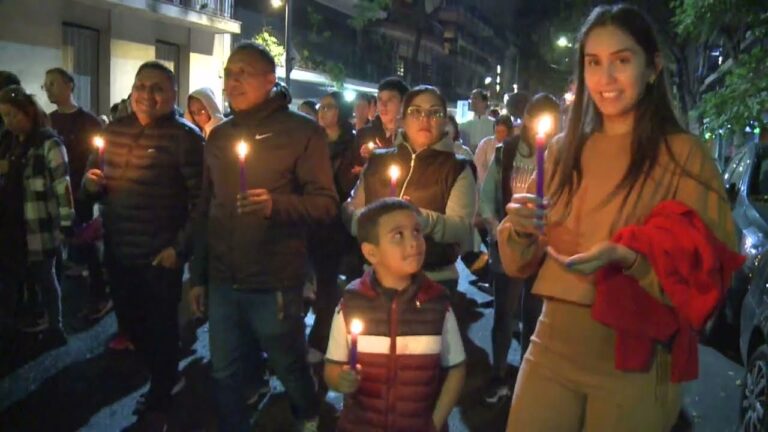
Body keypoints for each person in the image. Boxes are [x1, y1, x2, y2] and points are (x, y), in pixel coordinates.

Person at [500, 5, 740, 431]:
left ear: (653, 68)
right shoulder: (560, 150)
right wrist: (518, 228)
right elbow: (519, 262)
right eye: (594, 63)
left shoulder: (683, 156)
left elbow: (708, 265)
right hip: (552, 342)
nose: (605, 79)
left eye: (622, 61)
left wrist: (630, 259)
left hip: (636, 357)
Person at [188, 42, 338, 432]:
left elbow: (325, 204)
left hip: (274, 279)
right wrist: (198, 274)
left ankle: (307, 413)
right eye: (229, 73)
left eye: (244, 72)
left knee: (288, 363)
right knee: (224, 370)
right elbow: (207, 208)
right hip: (223, 279)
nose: (233, 80)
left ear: (271, 80)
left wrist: (276, 205)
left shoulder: (303, 133)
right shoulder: (219, 136)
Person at [81, 61, 204, 429]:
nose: (146, 96)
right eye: (140, 87)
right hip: (119, 250)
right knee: (132, 326)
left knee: (161, 328)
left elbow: (201, 202)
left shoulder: (185, 138)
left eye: (157, 89)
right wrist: (90, 185)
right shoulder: (114, 131)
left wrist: (179, 248)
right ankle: (160, 374)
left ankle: (163, 391)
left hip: (159, 255)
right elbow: (93, 183)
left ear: (173, 95)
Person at [324, 198, 466, 431]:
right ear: (371, 252)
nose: (414, 243)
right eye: (398, 235)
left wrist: (434, 422)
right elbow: (332, 367)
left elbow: (456, 368)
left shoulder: (437, 304)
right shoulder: (351, 304)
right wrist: (340, 380)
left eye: (417, 232)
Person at [344, 85, 476, 296]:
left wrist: (419, 220)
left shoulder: (457, 168)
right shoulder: (378, 160)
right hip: (376, 278)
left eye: (435, 113)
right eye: (416, 112)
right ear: (403, 119)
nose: (425, 119)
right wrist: (377, 220)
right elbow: (352, 211)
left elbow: (461, 228)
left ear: (445, 122)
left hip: (434, 281)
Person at [479, 93, 560, 404]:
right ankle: (498, 373)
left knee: (534, 314)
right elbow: (487, 198)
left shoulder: (560, 157)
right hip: (508, 244)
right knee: (505, 312)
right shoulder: (506, 152)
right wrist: (497, 229)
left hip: (542, 248)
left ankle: (527, 375)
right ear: (525, 119)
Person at [0, 85, 73, 343]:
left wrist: (66, 222)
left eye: (13, 115)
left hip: (39, 224)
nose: (9, 122)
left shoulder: (48, 144)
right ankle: (14, 325)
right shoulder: (9, 144)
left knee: (45, 276)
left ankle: (56, 327)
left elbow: (62, 186)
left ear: (29, 113)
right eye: (5, 116)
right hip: (12, 225)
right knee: (12, 278)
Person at [43, 67, 111, 322]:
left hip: (81, 193)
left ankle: (99, 294)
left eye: (53, 83)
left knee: (88, 242)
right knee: (58, 246)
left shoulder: (89, 122)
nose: (48, 89)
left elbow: (97, 158)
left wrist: (89, 186)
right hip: (55, 194)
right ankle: (55, 303)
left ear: (69, 85)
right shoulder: (48, 121)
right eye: (45, 85)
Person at [308, 90, 358, 357]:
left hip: (340, 220)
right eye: (320, 107)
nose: (322, 111)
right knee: (320, 280)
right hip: (315, 219)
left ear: (339, 111)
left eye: (328, 107)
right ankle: (320, 335)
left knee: (337, 280)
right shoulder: (312, 141)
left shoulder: (352, 144)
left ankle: (331, 337)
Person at [357, 76, 410, 159]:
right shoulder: (364, 134)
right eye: (380, 99)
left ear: (404, 103)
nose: (383, 105)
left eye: (390, 99)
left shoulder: (412, 138)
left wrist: (379, 156)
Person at [474, 114, 514, 187]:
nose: (500, 135)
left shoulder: (514, 145)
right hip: (487, 184)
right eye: (497, 132)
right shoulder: (486, 143)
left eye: (503, 131)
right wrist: (488, 183)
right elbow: (478, 166)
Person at [459, 88, 494, 154]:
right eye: (471, 99)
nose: (472, 101)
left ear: (485, 102)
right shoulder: (464, 126)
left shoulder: (494, 124)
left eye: (475, 98)